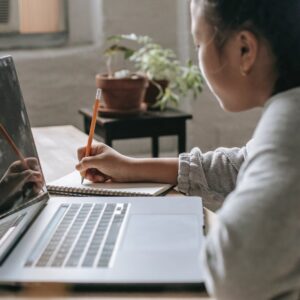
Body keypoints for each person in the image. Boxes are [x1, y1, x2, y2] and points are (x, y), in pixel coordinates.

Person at [76, 0, 300, 298]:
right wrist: (130, 167)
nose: (198, 57)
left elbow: (233, 272)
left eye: (198, 43)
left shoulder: (291, 126)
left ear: (244, 50)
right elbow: (242, 166)